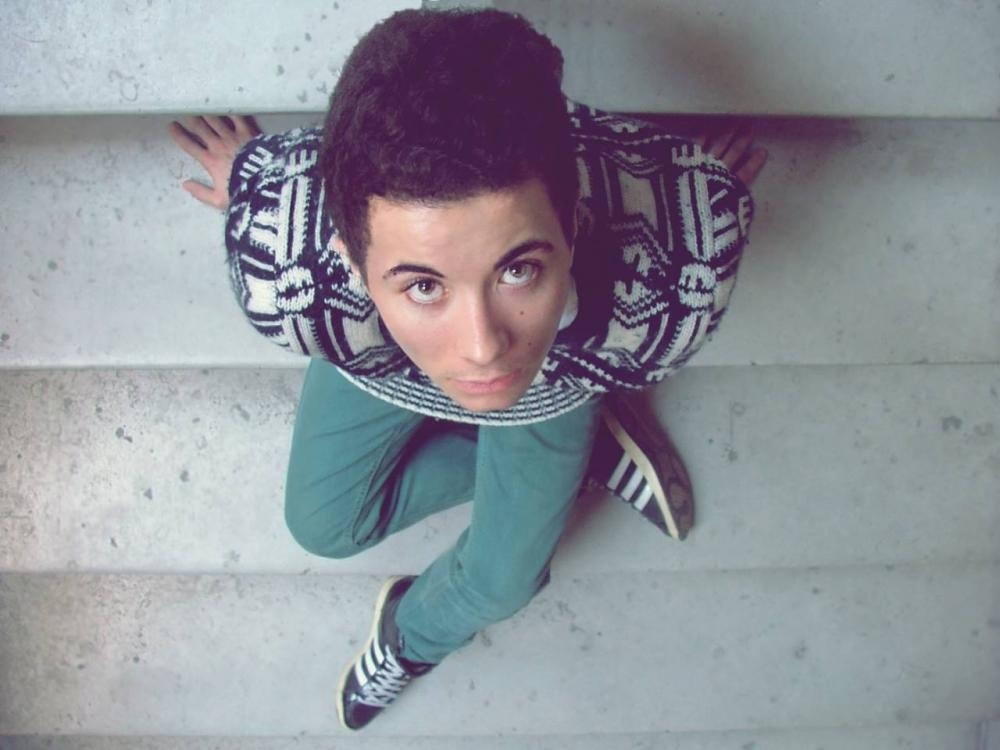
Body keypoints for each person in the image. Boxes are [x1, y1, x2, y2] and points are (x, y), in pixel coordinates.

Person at [169, 7, 766, 731]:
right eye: (423, 285)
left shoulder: (678, 282)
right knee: (322, 526)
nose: (482, 348)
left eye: (519, 270)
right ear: (348, 262)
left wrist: (698, 203)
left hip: (561, 386)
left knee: (501, 583)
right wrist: (255, 184)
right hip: (384, 365)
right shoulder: (293, 281)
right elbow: (282, 191)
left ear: (575, 226)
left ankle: (412, 638)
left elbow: (689, 213)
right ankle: (584, 458)